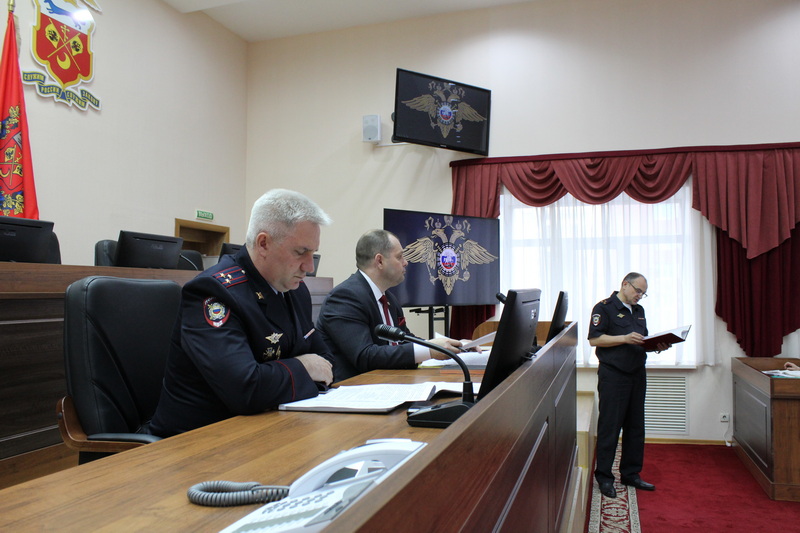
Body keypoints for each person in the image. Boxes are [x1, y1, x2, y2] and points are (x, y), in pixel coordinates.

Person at [149, 189, 334, 437]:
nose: (309, 267)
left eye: (313, 253)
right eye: (301, 252)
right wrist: (304, 365)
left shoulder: (294, 290)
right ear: (263, 243)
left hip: (266, 428)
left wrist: (296, 371)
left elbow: (325, 361)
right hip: (199, 440)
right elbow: (245, 388)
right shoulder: (213, 292)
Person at [316, 229, 464, 382]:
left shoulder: (389, 298)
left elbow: (405, 339)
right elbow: (365, 356)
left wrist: (456, 346)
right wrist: (429, 350)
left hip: (388, 383)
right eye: (399, 257)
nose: (405, 262)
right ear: (379, 261)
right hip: (353, 388)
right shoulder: (345, 297)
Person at [588, 272, 670, 499]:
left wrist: (656, 346)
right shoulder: (604, 308)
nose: (640, 296)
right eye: (638, 290)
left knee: (635, 427)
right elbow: (594, 339)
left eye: (643, 293)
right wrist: (623, 338)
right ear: (625, 284)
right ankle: (604, 477)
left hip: (636, 374)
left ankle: (630, 474)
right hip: (613, 375)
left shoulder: (639, 311)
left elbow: (641, 340)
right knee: (610, 427)